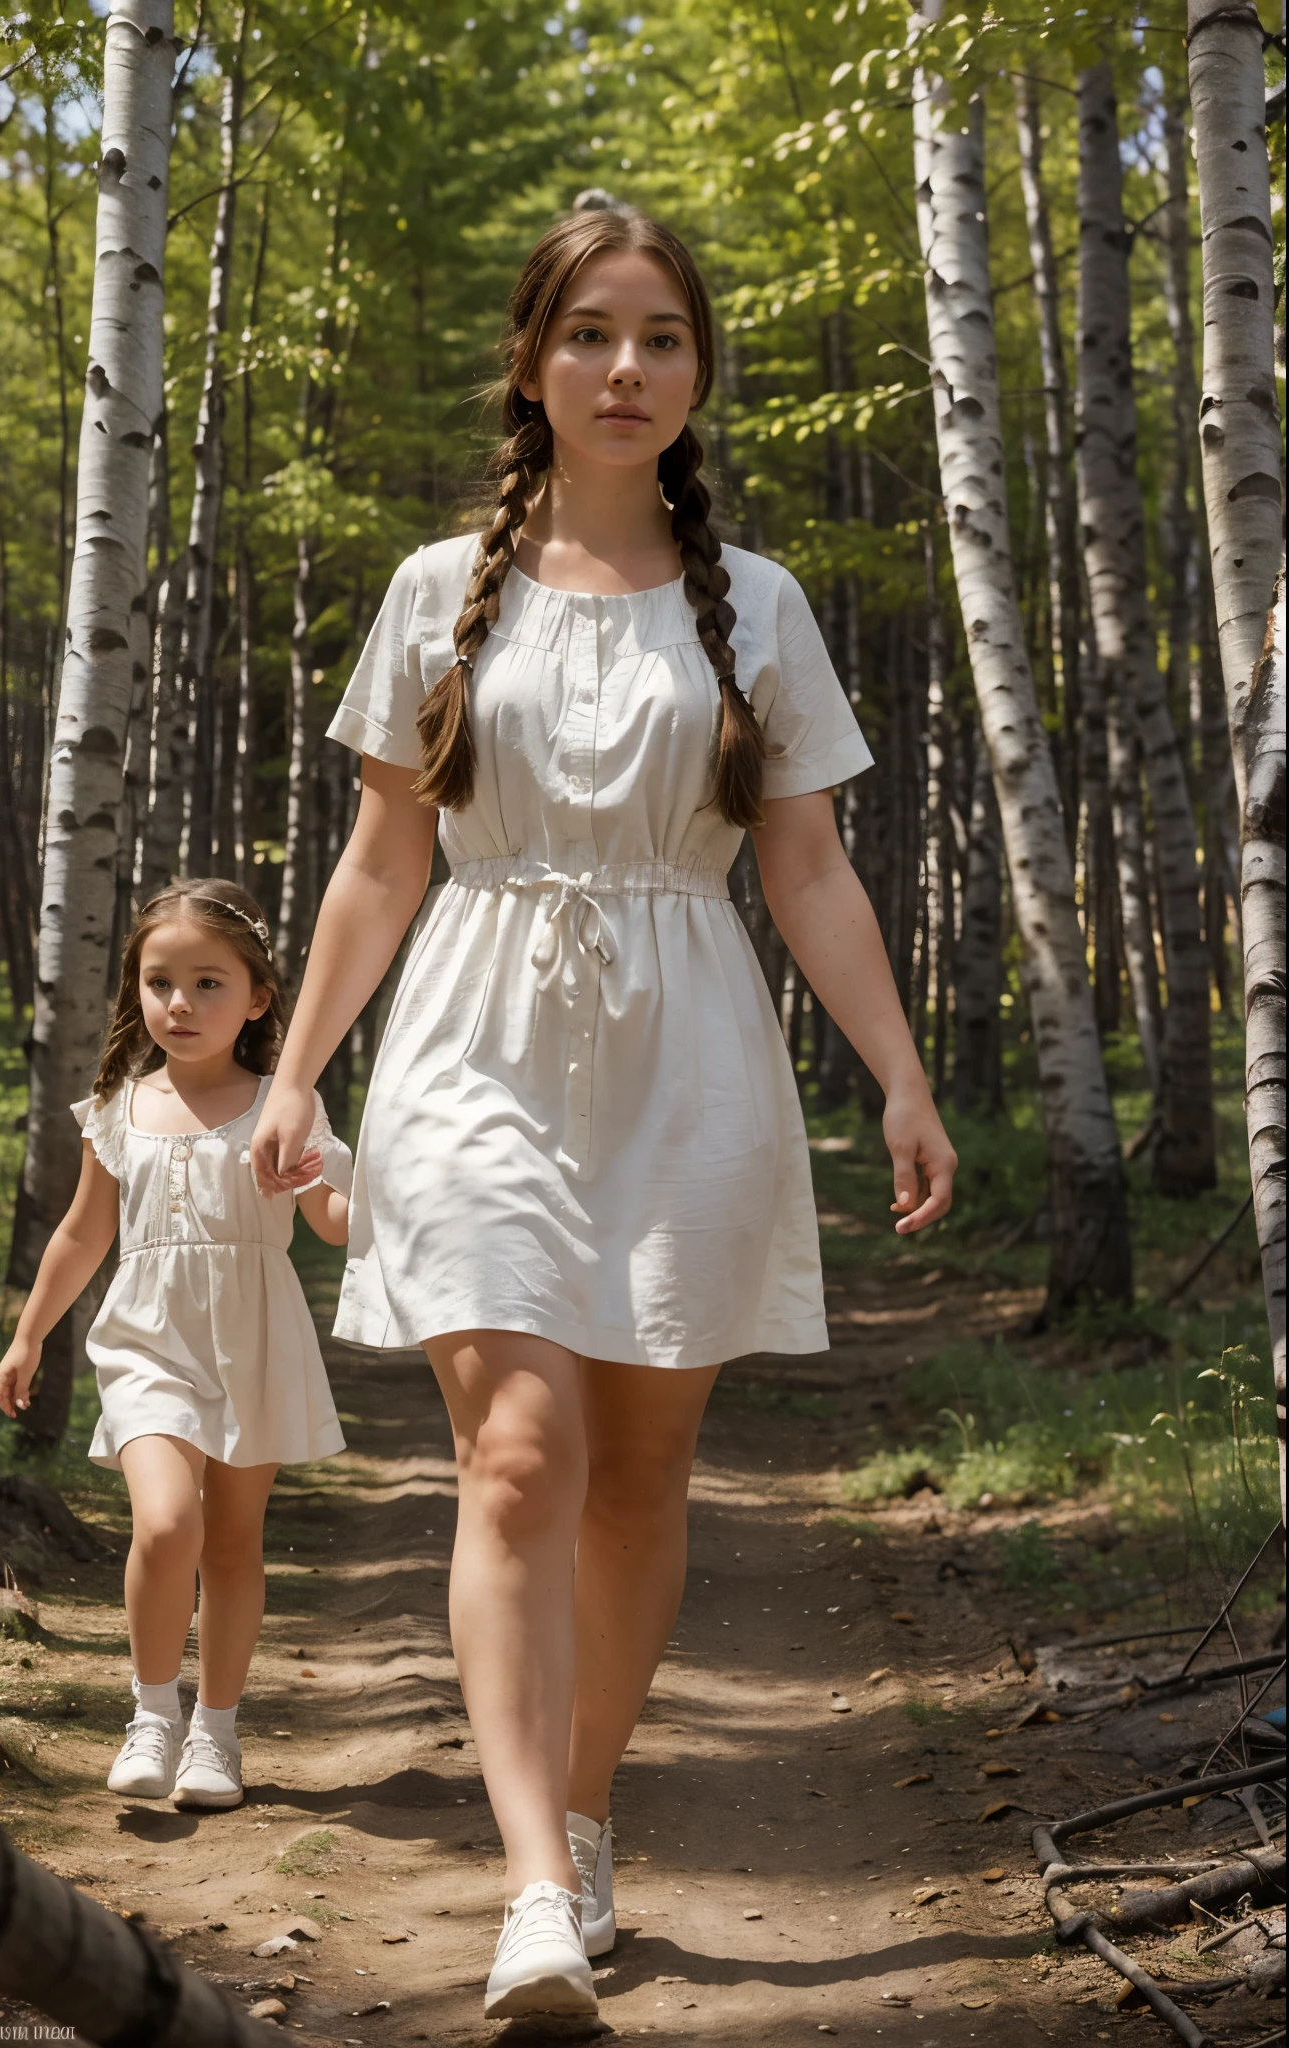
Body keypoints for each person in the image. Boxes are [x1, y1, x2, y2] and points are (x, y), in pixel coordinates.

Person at [250, 209, 957, 2019]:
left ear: (696, 371)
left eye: (659, 337)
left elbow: (806, 872)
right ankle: (535, 1887)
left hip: (693, 1049)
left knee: (641, 1472)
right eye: (589, 334)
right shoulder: (436, 589)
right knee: (520, 1454)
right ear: (531, 362)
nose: (625, 368)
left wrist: (898, 1071)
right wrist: (298, 1063)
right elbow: (380, 859)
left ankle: (581, 1802)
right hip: (474, 1040)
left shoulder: (765, 603)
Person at [0, 879, 352, 1812]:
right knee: (165, 1522)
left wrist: (338, 1179)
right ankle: (152, 1713)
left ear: (259, 997)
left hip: (254, 1337)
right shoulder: (117, 1105)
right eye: (160, 983)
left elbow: (337, 1224)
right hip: (147, 1339)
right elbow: (82, 1233)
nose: (180, 1004)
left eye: (207, 983)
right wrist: (30, 1334)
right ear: (137, 991)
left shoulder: (286, 1102)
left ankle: (216, 1734)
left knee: (232, 1541)